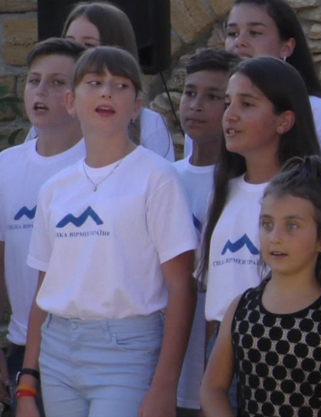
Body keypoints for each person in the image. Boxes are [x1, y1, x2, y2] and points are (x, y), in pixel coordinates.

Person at [16, 47, 197, 417]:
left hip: (127, 349)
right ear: (71, 100)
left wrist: (165, 386)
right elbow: (43, 291)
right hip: (57, 351)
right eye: (94, 83)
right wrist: (26, 385)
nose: (106, 93)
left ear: (136, 107)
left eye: (120, 85)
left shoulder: (158, 177)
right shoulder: (55, 188)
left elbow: (182, 286)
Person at [199, 56, 321, 408]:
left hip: (283, 355)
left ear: (284, 120)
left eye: (246, 104)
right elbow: (215, 294)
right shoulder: (223, 189)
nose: (230, 115)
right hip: (221, 357)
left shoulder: (307, 194)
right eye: (228, 103)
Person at [201, 155, 321, 417]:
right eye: (267, 224)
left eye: (292, 226)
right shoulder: (241, 308)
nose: (275, 238)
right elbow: (212, 388)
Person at [185, 0, 321, 197]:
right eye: (232, 33)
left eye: (255, 33)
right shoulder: (207, 113)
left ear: (286, 47)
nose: (239, 42)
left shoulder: (316, 110)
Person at [0, 38, 86, 413]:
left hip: (86, 349)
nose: (41, 91)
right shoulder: (6, 166)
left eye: (56, 82)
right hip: (21, 345)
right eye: (34, 80)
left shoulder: (98, 164)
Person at [172, 47, 239, 417]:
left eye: (213, 97)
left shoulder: (241, 186)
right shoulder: (164, 177)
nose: (196, 105)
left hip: (221, 368)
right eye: (189, 92)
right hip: (168, 365)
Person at [23, 2, 176, 161]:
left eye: (88, 45)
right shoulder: (50, 121)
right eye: (70, 42)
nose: (77, 53)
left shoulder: (149, 124)